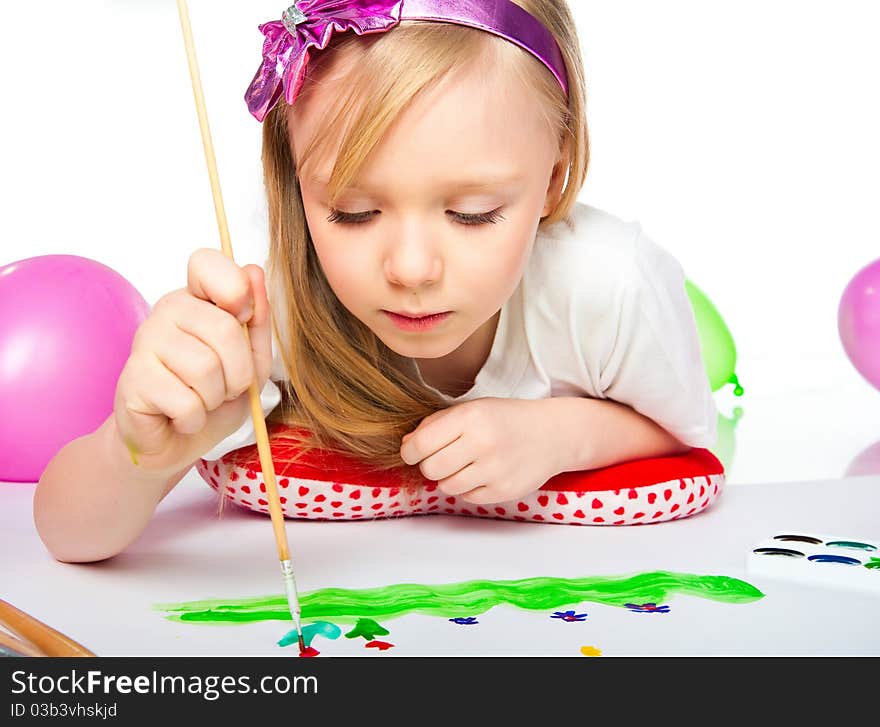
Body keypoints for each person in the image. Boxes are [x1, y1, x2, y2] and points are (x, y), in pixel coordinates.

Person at [34, 0, 717, 562]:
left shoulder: (609, 285)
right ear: (297, 180)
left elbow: (686, 438)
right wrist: (137, 453)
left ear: (555, 176)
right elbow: (67, 534)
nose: (412, 268)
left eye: (471, 214)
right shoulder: (264, 300)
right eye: (353, 213)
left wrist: (564, 434)